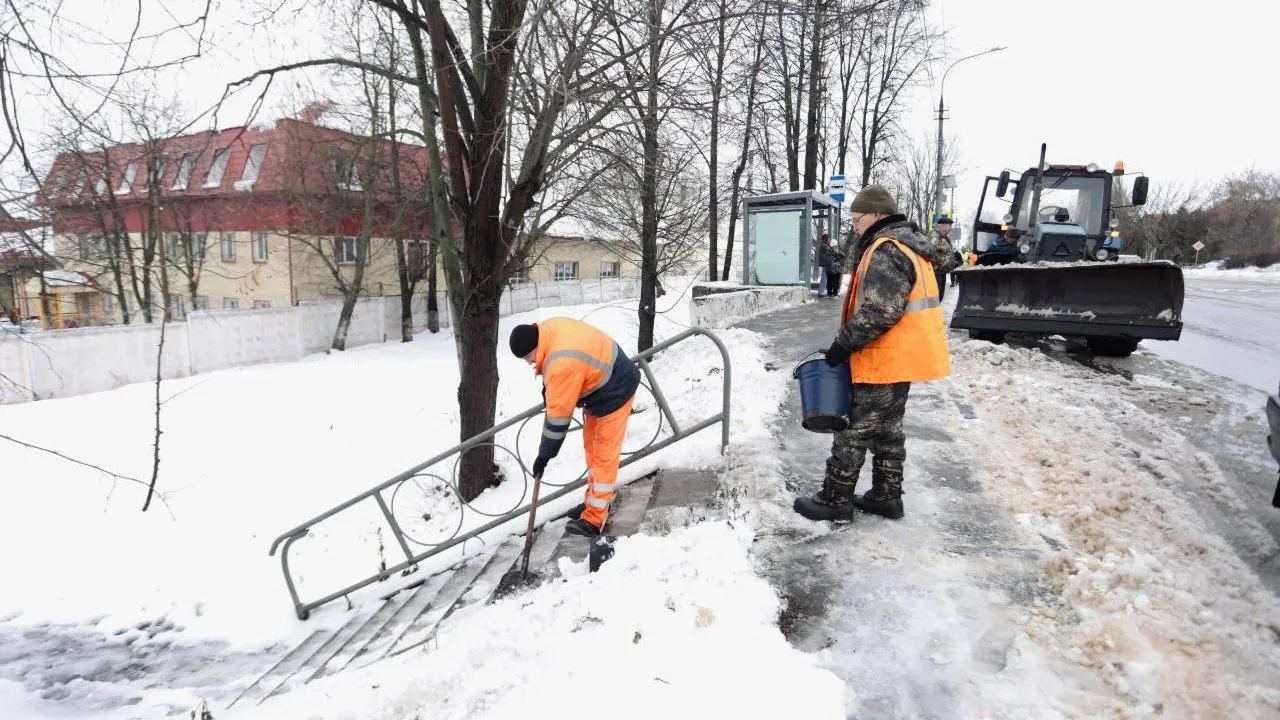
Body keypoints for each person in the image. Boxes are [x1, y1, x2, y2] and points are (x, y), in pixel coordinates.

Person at [794, 184, 952, 522]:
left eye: (857, 217)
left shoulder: (887, 250)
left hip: (881, 357)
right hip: (902, 358)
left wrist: (843, 345)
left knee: (853, 430)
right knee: (888, 431)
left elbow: (881, 311)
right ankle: (886, 496)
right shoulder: (910, 248)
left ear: (877, 214)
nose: (854, 224)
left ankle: (835, 500)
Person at [509, 318, 641, 537]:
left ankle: (595, 517)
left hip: (615, 389)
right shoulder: (549, 330)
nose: (529, 363)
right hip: (599, 385)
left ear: (536, 346)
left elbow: (558, 418)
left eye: (528, 357)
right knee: (591, 448)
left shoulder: (561, 363)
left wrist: (544, 456)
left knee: (603, 455)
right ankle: (593, 503)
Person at [931, 215, 962, 299]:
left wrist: (954, 262)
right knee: (935, 298)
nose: (950, 228)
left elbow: (946, 253)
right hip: (936, 273)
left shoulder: (945, 238)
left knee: (939, 297)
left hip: (942, 272)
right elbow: (930, 254)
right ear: (942, 226)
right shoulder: (934, 238)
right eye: (949, 226)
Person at [817, 233, 845, 298]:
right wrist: (840, 253)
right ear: (826, 239)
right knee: (824, 277)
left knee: (825, 277)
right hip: (825, 263)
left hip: (825, 263)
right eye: (829, 239)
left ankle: (823, 291)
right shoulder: (824, 245)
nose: (830, 240)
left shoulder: (823, 245)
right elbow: (831, 251)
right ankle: (821, 292)